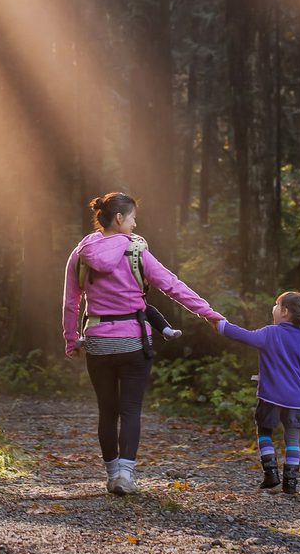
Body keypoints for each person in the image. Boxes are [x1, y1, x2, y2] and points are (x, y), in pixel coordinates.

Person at [63, 192, 224, 495]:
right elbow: (173, 286)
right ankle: (126, 475)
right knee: (131, 410)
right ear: (120, 218)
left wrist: (72, 339)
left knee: (107, 411)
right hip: (134, 342)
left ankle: (112, 476)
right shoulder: (136, 252)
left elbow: (71, 302)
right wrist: (209, 314)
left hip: (98, 341)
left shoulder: (81, 252)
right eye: (134, 218)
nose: (136, 225)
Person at [214, 291, 300, 494]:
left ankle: (271, 472)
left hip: (271, 396)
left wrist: (221, 325)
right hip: (297, 400)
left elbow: (244, 335)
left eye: (276, 304)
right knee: (293, 439)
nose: (273, 308)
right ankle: (290, 482)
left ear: (284, 312)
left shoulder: (270, 333)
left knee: (264, 431)